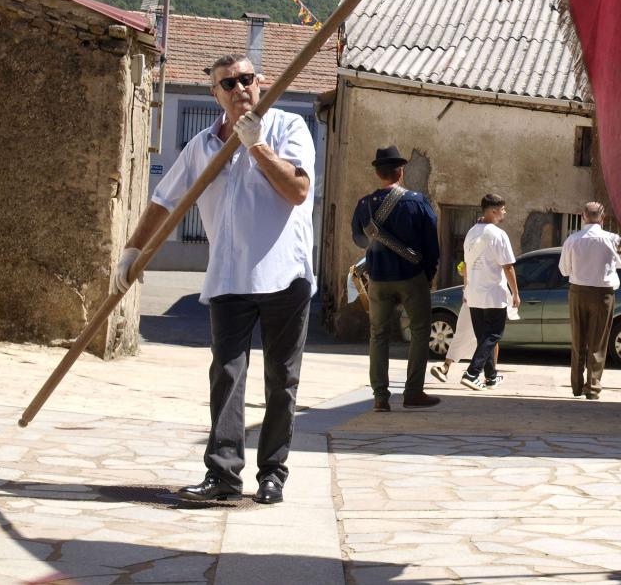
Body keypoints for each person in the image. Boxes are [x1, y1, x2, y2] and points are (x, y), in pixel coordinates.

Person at [114, 53, 315, 506]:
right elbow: (164, 201)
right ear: (215, 94)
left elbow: (298, 190)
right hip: (228, 275)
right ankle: (223, 474)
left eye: (247, 79)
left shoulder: (288, 127)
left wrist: (257, 146)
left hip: (285, 274)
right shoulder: (202, 146)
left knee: (281, 379)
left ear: (260, 82)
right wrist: (132, 251)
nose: (240, 88)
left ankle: (273, 475)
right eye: (229, 83)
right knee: (226, 373)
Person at [351, 145, 441, 412]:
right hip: (412, 276)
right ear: (401, 171)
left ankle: (380, 397)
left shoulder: (364, 205)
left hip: (378, 278)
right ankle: (413, 392)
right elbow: (432, 244)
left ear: (378, 173)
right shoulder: (417, 201)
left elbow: (359, 240)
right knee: (420, 331)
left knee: (378, 335)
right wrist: (428, 274)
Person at [558, 201, 621, 400]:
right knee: (598, 342)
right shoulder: (614, 239)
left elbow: (564, 270)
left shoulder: (572, 239)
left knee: (578, 340)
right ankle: (593, 387)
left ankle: (576, 385)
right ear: (603, 218)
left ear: (583, 217)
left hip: (578, 292)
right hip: (603, 294)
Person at [459, 194, 520, 390]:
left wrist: (466, 289)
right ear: (494, 211)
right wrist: (516, 293)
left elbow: (466, 264)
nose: (505, 212)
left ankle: (491, 376)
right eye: (503, 209)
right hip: (493, 293)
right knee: (493, 334)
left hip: (474, 293)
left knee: (483, 338)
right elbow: (508, 266)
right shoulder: (498, 234)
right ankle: (472, 373)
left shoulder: (471, 232)